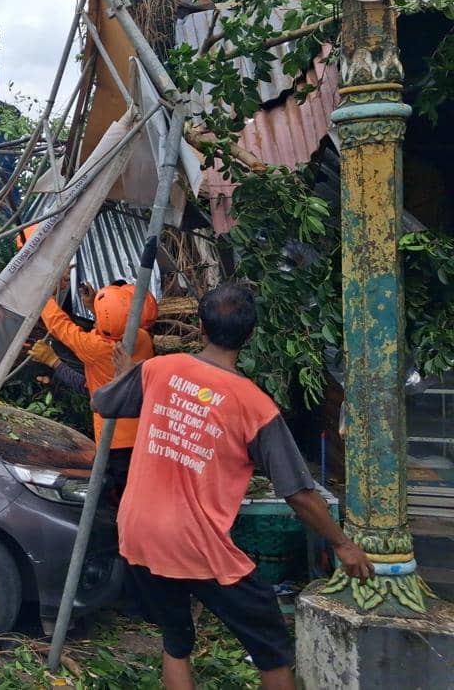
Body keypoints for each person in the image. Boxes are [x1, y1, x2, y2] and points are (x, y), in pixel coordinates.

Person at [94, 283, 372, 690]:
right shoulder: (254, 405)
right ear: (250, 335)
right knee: (273, 650)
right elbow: (297, 492)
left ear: (201, 328)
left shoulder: (159, 369)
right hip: (195, 542)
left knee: (176, 641)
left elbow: (104, 402)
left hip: (139, 533)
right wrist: (343, 544)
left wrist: (126, 375)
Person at [40, 277, 155, 497]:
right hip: (142, 429)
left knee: (116, 493)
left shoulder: (96, 348)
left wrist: (42, 296)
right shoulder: (142, 338)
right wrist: (95, 307)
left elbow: (60, 326)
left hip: (114, 438)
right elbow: (116, 328)